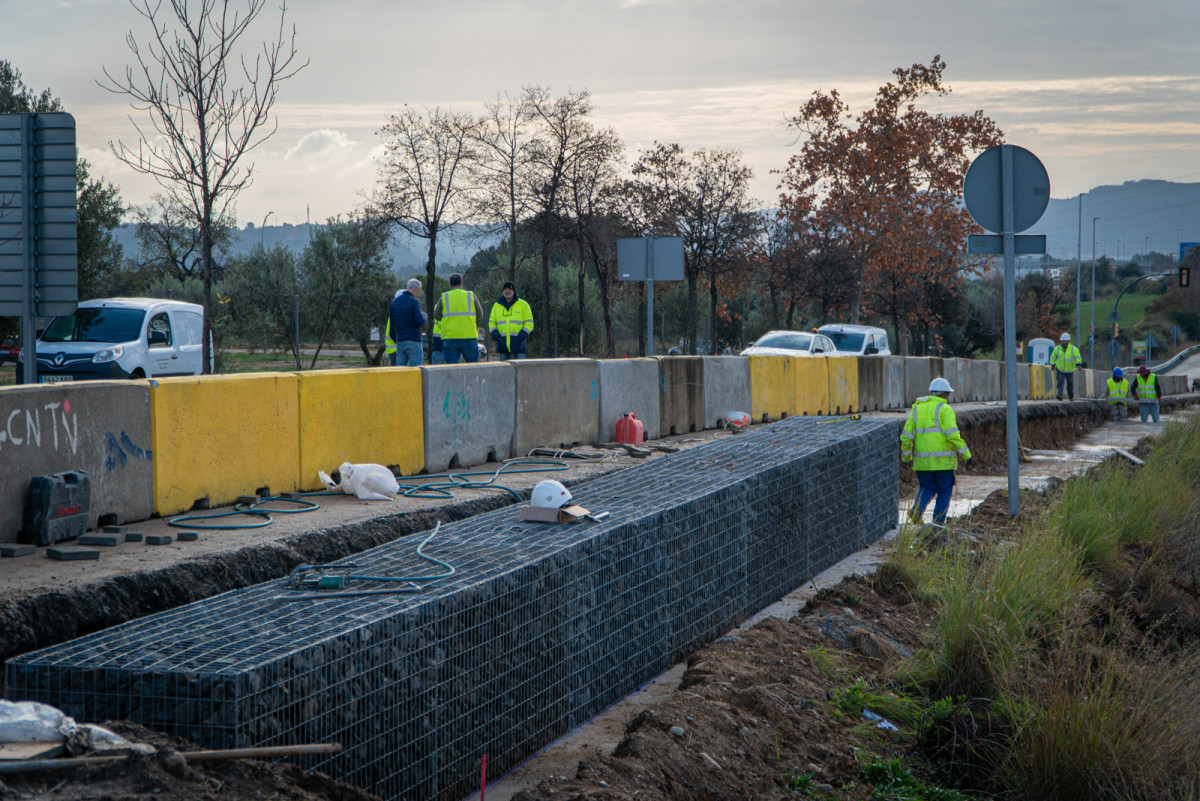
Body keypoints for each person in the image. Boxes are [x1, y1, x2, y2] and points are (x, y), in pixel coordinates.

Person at [900, 377, 972, 527]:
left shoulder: (917, 408)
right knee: (944, 491)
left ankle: (917, 510)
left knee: (927, 487)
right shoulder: (945, 409)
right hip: (943, 462)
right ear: (945, 394)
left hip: (923, 462)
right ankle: (938, 523)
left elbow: (906, 437)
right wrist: (966, 455)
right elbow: (953, 436)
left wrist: (906, 458)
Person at [432, 273, 485, 365]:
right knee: (474, 367)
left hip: (450, 337)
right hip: (469, 336)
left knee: (452, 368)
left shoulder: (444, 297)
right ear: (461, 283)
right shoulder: (471, 295)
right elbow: (480, 314)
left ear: (450, 284)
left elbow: (436, 315)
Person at [488, 281, 534, 361]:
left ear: (514, 291)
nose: (507, 291)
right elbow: (491, 322)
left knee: (520, 369)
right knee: (503, 371)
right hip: (502, 343)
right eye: (505, 289)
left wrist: (524, 333)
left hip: (519, 343)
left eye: (509, 289)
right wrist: (495, 333)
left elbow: (529, 322)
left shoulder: (523, 304)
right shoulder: (496, 306)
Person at [388, 278, 426, 367]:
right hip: (414, 340)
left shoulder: (394, 303)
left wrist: (396, 340)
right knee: (416, 370)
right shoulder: (414, 302)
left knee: (400, 371)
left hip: (400, 341)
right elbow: (420, 321)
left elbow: (392, 326)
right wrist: (424, 316)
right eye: (418, 291)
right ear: (416, 289)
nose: (418, 294)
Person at [1050, 332, 1083, 400]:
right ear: (1061, 341)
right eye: (1063, 341)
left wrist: (1078, 364)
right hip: (1060, 369)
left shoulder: (1074, 349)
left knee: (1070, 383)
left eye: (1066, 341)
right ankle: (1060, 395)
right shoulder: (1057, 349)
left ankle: (1070, 396)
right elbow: (1053, 358)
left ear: (1069, 341)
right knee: (1060, 382)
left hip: (1069, 370)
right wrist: (1052, 365)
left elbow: (1077, 357)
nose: (1065, 343)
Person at [383, 289, 401, 365]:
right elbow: (393, 332)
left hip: (393, 349)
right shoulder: (396, 314)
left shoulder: (393, 312)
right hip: (395, 349)